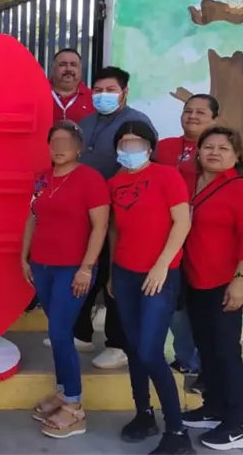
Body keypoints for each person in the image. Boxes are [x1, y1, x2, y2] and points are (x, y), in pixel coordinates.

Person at [107, 120, 193, 455]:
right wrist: (112, 273)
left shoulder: (166, 176)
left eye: (136, 143)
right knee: (133, 347)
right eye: (124, 143)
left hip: (159, 275)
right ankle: (143, 414)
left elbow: (182, 222)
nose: (130, 149)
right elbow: (115, 230)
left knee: (149, 351)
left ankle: (177, 431)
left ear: (150, 147)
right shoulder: (114, 183)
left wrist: (162, 265)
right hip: (125, 274)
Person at [20, 121, 110, 439]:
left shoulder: (90, 179)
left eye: (66, 142)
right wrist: (24, 256)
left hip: (73, 268)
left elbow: (100, 227)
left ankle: (74, 406)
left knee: (60, 333)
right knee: (56, 331)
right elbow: (33, 216)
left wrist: (87, 267)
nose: (59, 149)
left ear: (79, 148)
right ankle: (62, 391)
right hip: (42, 266)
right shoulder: (43, 178)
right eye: (54, 142)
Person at [65, 66, 156, 370]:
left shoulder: (136, 122)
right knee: (85, 269)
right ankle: (80, 332)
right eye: (98, 90)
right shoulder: (86, 122)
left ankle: (118, 344)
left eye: (110, 90)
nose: (103, 95)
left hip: (121, 213)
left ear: (124, 92)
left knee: (114, 276)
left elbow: (141, 166)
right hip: (87, 212)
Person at [181, 126, 243, 450]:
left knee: (226, 352)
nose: (214, 152)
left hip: (224, 284)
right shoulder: (195, 182)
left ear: (237, 155)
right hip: (195, 280)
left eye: (223, 148)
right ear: (198, 151)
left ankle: (237, 424)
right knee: (207, 348)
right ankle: (214, 407)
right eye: (208, 146)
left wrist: (240, 281)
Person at [154, 94, 218, 384]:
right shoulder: (165, 147)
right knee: (176, 306)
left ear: (214, 119)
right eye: (187, 110)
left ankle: (209, 368)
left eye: (200, 112)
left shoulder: (222, 151)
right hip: (168, 238)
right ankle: (187, 360)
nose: (192, 116)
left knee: (205, 308)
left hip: (206, 239)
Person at [49, 49, 94, 124]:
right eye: (62, 64)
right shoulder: (37, 94)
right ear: (53, 68)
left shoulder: (93, 98)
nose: (68, 69)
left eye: (73, 65)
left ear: (80, 69)